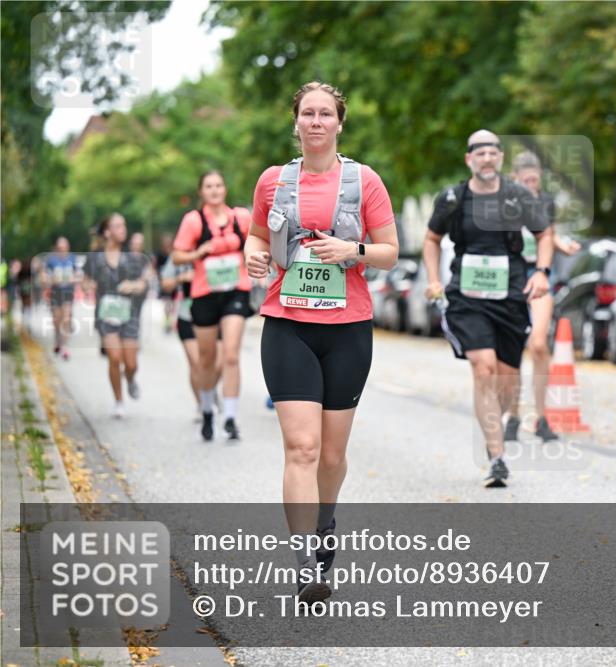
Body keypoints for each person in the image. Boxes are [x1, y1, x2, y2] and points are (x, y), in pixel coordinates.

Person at [244, 81, 398, 602]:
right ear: (296, 122)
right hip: (287, 323)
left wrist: (351, 248)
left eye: (324, 113)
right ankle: (305, 558)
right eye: (307, 113)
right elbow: (258, 237)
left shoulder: (364, 180)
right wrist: (254, 256)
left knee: (332, 455)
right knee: (302, 446)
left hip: (348, 328)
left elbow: (390, 252)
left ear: (339, 123)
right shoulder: (273, 181)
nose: (315, 121)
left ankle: (325, 521)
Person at [423, 130, 553, 489]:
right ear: (469, 160)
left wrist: (541, 273)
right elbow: (431, 240)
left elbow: (544, 235)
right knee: (484, 369)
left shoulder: (517, 196)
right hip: (467, 297)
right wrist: (433, 278)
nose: (486, 158)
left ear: (500, 158)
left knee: (507, 380)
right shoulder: (452, 199)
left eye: (493, 152)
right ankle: (497, 457)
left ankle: (498, 418)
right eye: (479, 153)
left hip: (510, 296)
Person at [503, 151, 581, 443]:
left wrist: (564, 246)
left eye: (535, 180)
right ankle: (512, 415)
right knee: (512, 349)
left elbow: (547, 235)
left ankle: (542, 418)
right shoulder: (505, 203)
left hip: (539, 276)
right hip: (511, 278)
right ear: (515, 179)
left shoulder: (544, 203)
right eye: (526, 181)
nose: (531, 186)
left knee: (538, 344)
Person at [172, 171, 253, 442]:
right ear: (201, 192)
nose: (215, 190)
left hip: (235, 291)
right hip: (204, 293)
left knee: (230, 355)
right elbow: (177, 254)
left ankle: (230, 416)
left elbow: (256, 243)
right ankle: (207, 409)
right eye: (209, 186)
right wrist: (199, 252)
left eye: (219, 185)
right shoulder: (193, 220)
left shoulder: (241, 217)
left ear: (225, 189)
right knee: (206, 360)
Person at [82, 213, 149, 418]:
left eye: (124, 225)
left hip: (129, 315)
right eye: (118, 226)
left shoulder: (133, 256)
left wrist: (134, 285)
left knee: (131, 364)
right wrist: (88, 286)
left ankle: (130, 379)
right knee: (114, 357)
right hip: (106, 315)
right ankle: (119, 401)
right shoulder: (95, 257)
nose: (123, 229)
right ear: (107, 231)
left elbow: (144, 283)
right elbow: (85, 280)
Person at [159, 256, 223, 421]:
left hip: (216, 314)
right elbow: (165, 284)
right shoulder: (180, 254)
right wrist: (182, 277)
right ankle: (202, 404)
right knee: (197, 363)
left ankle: (209, 389)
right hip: (187, 315)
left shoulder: (215, 249)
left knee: (218, 365)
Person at [43, 236, 78, 359]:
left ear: (68, 248)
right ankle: (57, 340)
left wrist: (72, 279)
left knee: (66, 318)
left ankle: (65, 347)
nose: (62, 250)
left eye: (64, 247)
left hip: (67, 292)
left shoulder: (73, 259)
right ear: (56, 249)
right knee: (57, 320)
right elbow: (45, 277)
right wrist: (51, 280)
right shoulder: (51, 260)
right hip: (55, 292)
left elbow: (78, 275)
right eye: (60, 248)